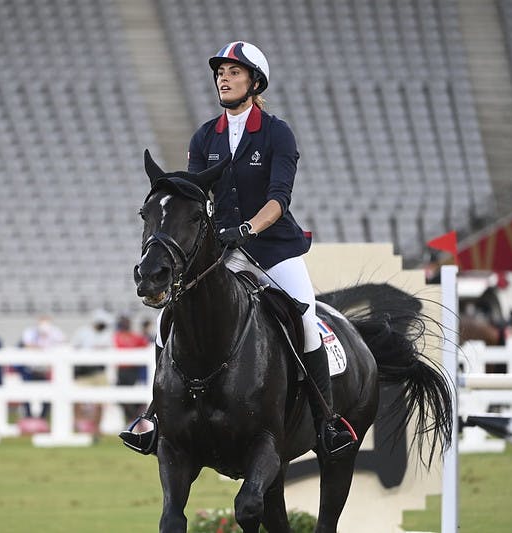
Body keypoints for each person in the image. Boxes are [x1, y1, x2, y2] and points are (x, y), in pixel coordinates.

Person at [121, 41, 355, 455]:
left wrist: (247, 228)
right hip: (221, 251)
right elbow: (194, 196)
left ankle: (328, 422)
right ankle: (156, 416)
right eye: (219, 73)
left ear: (254, 81)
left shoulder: (275, 132)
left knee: (305, 318)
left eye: (233, 72)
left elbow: (279, 198)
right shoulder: (204, 135)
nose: (223, 78)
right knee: (167, 321)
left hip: (273, 248)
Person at [71, 309, 114, 439]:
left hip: (99, 372)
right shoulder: (82, 332)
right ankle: (78, 425)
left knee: (100, 401)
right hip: (83, 372)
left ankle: (96, 428)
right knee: (77, 399)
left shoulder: (107, 334)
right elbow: (75, 348)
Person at [17, 316, 65, 419]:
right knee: (27, 395)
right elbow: (27, 345)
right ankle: (28, 417)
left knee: (47, 397)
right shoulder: (30, 332)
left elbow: (62, 345)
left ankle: (43, 418)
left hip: (46, 371)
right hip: (30, 369)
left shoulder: (55, 332)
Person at [113, 315, 150, 428]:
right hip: (122, 371)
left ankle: (136, 421)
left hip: (134, 371)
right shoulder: (117, 336)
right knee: (122, 398)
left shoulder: (135, 337)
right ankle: (132, 420)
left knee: (136, 398)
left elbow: (145, 347)